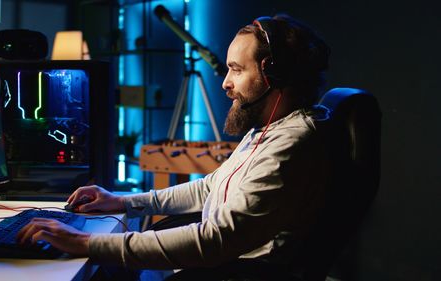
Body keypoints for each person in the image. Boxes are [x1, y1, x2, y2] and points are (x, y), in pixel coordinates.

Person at [17, 13, 331, 280]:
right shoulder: (267, 128)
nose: (225, 82)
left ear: (271, 73)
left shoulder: (291, 144)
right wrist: (123, 202)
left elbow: (214, 241)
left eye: (237, 69)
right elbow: (208, 188)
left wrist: (85, 242)